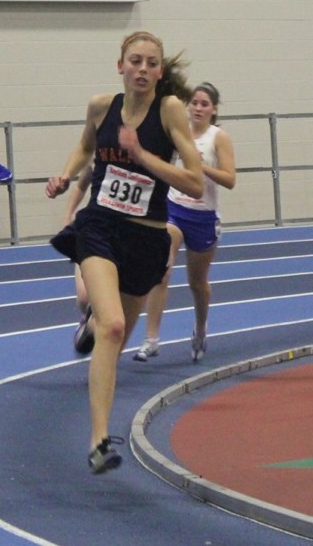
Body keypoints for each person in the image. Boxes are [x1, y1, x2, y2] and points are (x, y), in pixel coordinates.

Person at [45, 30, 204, 474]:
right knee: (114, 326)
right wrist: (64, 176)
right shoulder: (102, 106)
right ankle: (98, 440)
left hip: (148, 237)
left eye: (152, 63)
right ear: (121, 66)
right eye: (135, 61)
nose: (143, 69)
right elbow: (85, 146)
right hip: (100, 226)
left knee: (114, 337)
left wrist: (144, 156)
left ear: (159, 72)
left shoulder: (170, 110)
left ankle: (91, 323)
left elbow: (192, 181)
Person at [133, 82, 236, 363]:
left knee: (197, 283)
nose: (198, 108)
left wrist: (199, 166)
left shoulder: (218, 138)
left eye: (204, 104)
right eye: (194, 103)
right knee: (161, 269)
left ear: (214, 109)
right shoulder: (178, 133)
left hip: (204, 216)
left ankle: (201, 328)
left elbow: (230, 180)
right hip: (175, 209)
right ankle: (151, 339)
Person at [62, 163, 93, 352]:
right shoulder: (102, 155)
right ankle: (88, 319)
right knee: (84, 298)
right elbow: (81, 185)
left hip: (128, 232)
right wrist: (67, 216)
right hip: (94, 226)